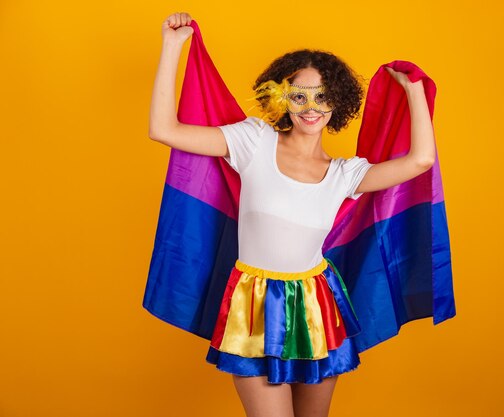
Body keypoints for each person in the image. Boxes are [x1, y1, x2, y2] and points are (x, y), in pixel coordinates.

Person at [148, 11, 437, 417]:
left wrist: (414, 90)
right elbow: (164, 129)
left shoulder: (345, 174)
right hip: (255, 306)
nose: (310, 107)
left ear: (337, 103)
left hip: (318, 306)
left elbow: (421, 161)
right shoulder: (252, 141)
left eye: (322, 96)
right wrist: (173, 46)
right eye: (299, 95)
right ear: (282, 98)